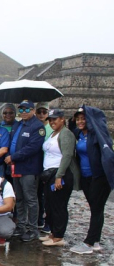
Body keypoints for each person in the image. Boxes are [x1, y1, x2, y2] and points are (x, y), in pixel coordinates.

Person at [70, 106, 113, 254]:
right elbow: (72, 128)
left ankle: (90, 242)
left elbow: (107, 153)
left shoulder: (97, 134)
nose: (80, 121)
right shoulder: (80, 134)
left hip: (99, 177)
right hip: (87, 177)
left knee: (96, 209)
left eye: (84, 118)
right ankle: (95, 241)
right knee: (96, 208)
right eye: (78, 118)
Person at [4, 100, 45, 242]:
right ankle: (21, 225)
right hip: (16, 168)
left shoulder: (37, 126)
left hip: (29, 168)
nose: (24, 112)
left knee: (31, 199)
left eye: (27, 109)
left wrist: (13, 157)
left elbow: (32, 148)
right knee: (19, 198)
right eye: (21, 110)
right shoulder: (18, 124)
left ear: (33, 110)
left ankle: (32, 229)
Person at [39, 109, 79, 246]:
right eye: (50, 120)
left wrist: (59, 176)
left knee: (59, 205)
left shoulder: (66, 134)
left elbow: (67, 155)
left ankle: (59, 236)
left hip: (60, 174)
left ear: (62, 119)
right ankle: (53, 233)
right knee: (49, 205)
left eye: (55, 119)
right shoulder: (53, 134)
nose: (52, 122)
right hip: (49, 173)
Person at [35, 102, 52, 233]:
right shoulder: (35, 127)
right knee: (36, 194)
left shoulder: (52, 128)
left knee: (47, 196)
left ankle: (46, 220)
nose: (41, 114)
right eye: (39, 112)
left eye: (44, 112)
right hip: (36, 165)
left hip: (49, 166)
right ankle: (38, 218)